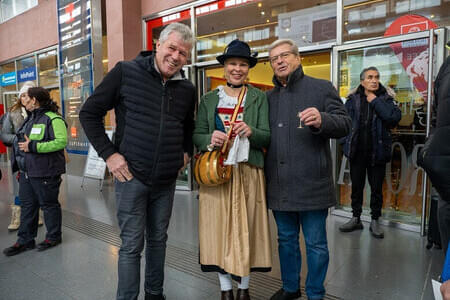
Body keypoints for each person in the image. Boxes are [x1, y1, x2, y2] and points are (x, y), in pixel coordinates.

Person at [79, 22, 196, 300]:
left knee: (158, 241)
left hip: (166, 182)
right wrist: (110, 155)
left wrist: (186, 151)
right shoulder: (126, 71)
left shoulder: (187, 89)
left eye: (183, 52)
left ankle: (155, 293)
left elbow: (188, 126)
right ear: (158, 44)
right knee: (132, 245)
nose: (176, 56)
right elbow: (89, 113)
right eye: (172, 48)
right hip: (130, 177)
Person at [265, 39, 351, 300]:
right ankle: (290, 288)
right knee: (286, 241)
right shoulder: (266, 98)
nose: (279, 61)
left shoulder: (321, 88)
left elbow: (345, 124)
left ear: (298, 58)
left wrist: (323, 119)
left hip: (312, 183)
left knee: (316, 245)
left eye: (285, 55)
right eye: (274, 58)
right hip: (279, 184)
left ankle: (315, 292)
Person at [193, 39, 272, 300]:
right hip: (217, 173)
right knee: (217, 228)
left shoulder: (259, 98)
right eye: (232, 64)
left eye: (242, 64)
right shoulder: (208, 99)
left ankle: (244, 288)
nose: (237, 69)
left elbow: (267, 136)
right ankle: (225, 288)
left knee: (247, 228)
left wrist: (252, 131)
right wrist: (208, 140)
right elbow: (197, 135)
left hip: (248, 172)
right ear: (225, 68)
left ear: (248, 68)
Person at [3, 87, 67, 256]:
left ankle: (53, 237)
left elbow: (61, 142)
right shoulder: (30, 118)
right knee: (28, 207)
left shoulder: (53, 118)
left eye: (27, 97)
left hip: (46, 171)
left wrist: (33, 146)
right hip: (27, 172)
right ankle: (25, 240)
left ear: (35, 100)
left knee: (49, 205)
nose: (24, 100)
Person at [339, 67, 401, 239]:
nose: (374, 80)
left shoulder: (386, 98)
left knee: (376, 189)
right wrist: (345, 143)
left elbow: (393, 118)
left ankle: (375, 220)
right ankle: (356, 218)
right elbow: (343, 122)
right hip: (357, 152)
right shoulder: (352, 100)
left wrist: (375, 101)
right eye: (370, 77)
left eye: (377, 77)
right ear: (362, 81)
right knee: (356, 188)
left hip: (377, 152)